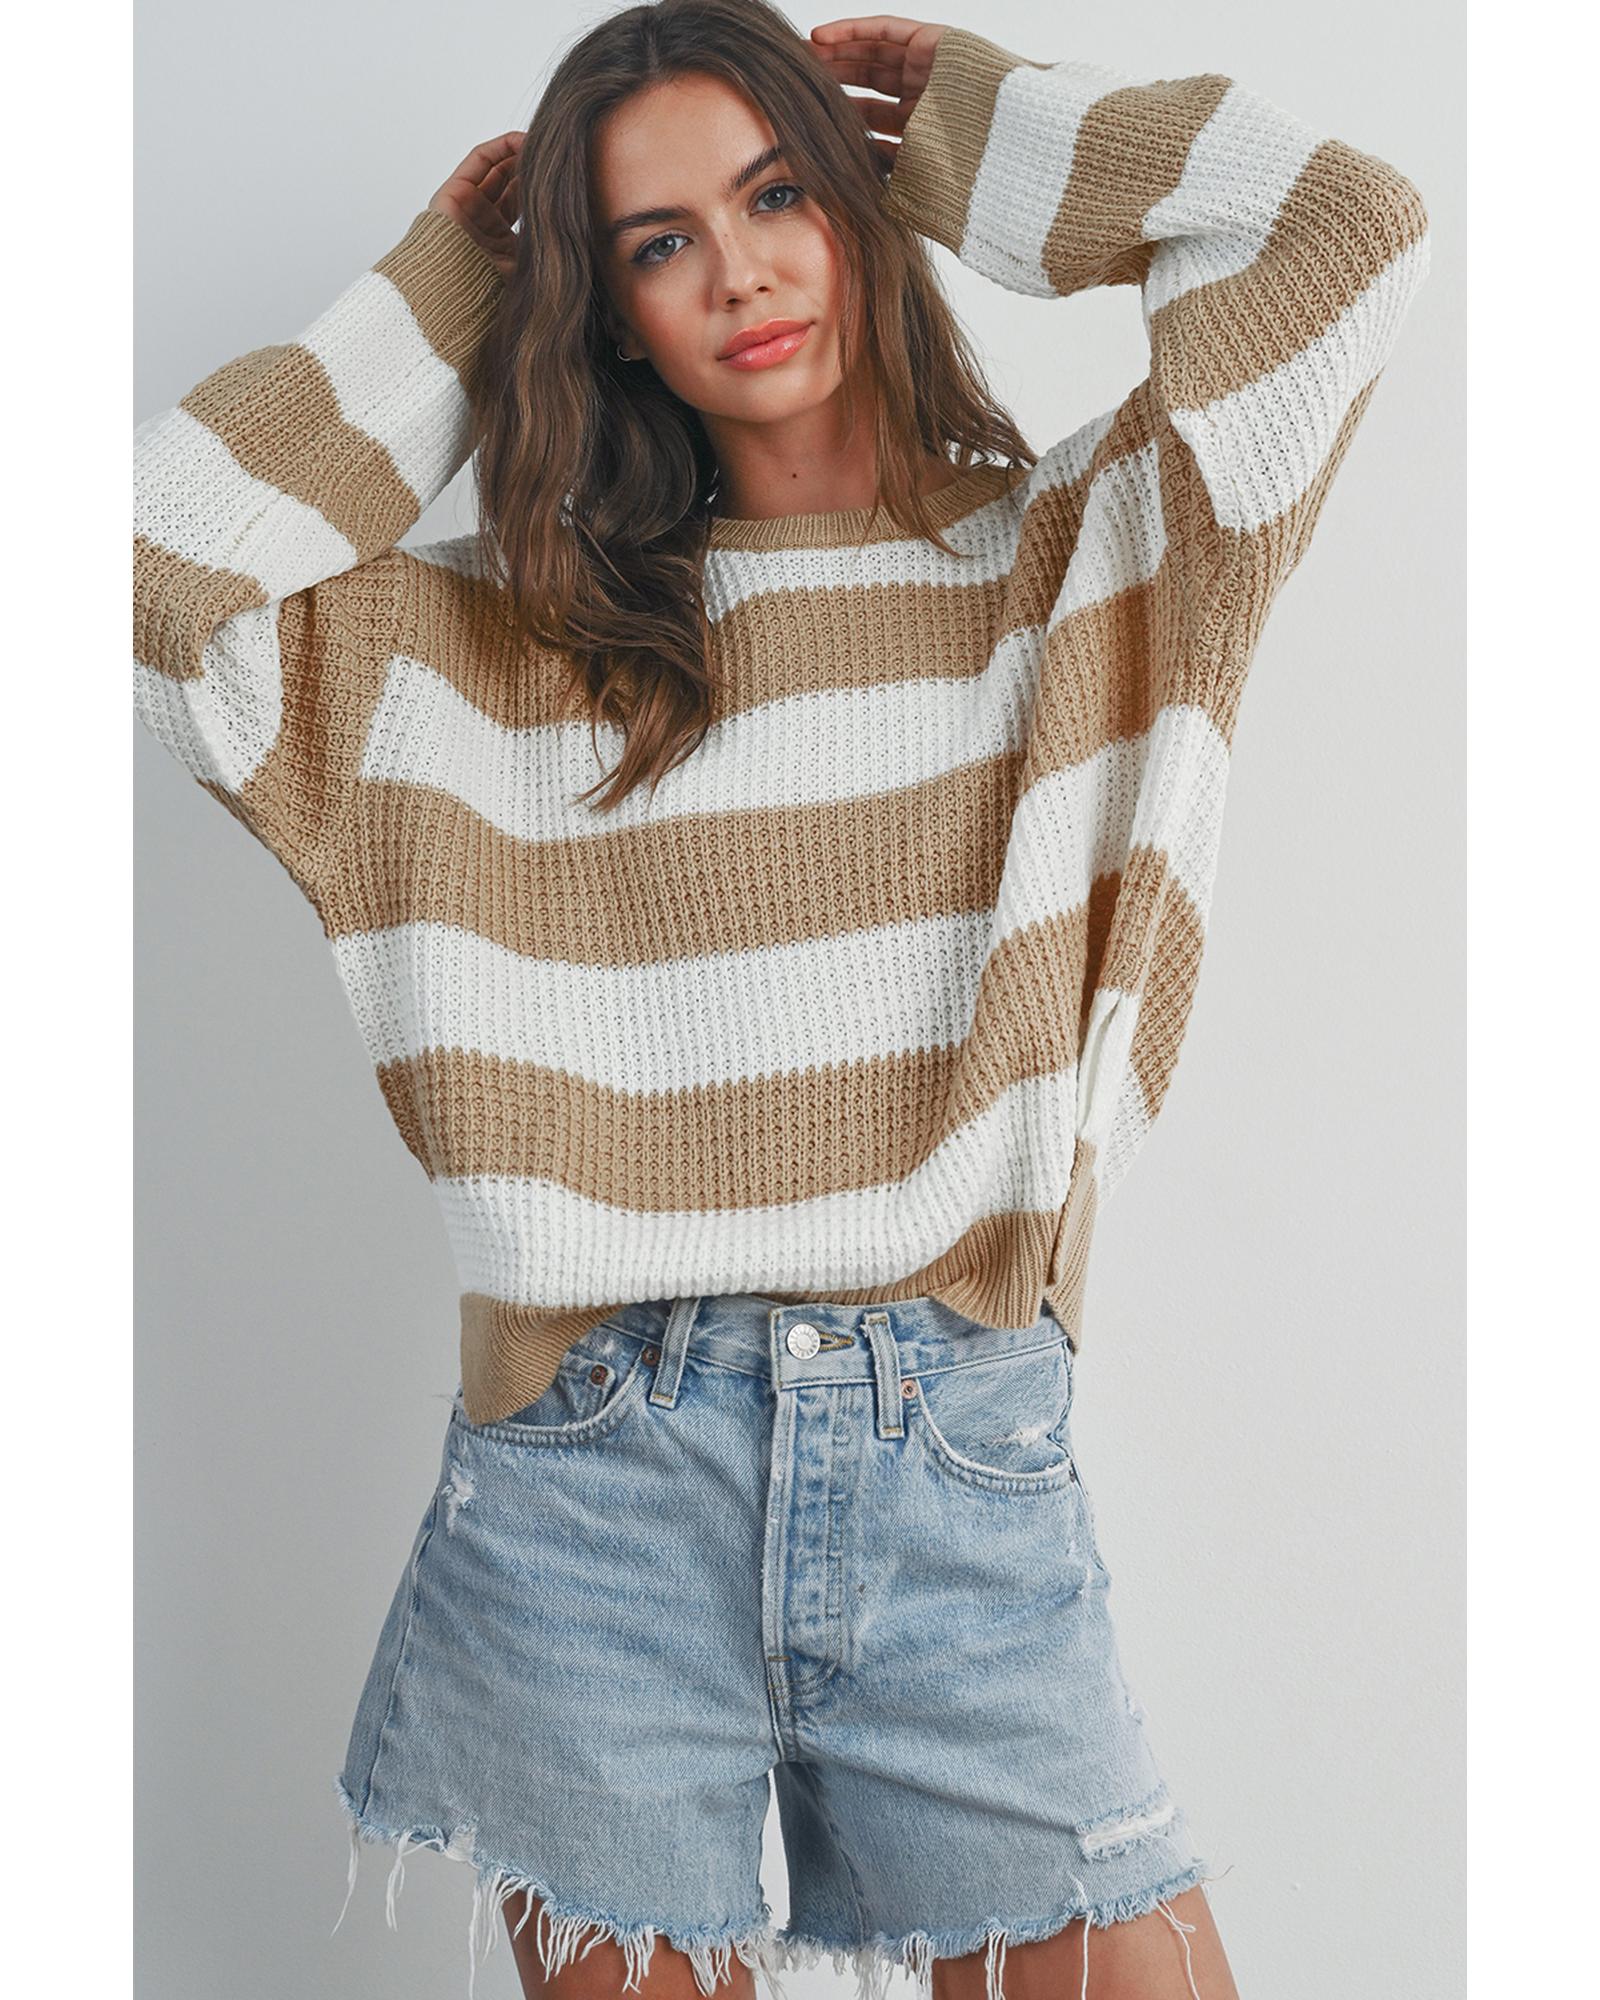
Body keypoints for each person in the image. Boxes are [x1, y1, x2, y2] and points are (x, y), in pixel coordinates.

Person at [132, 3, 1429, 1995]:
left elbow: (1341, 232)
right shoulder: (491, 648)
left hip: (955, 1470)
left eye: (774, 196)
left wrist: (970, 127)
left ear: (855, 201)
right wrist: (460, 280)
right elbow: (153, 572)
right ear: (602, 309)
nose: (735, 272)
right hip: (591, 1484)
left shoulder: (1090, 562)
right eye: (655, 242)